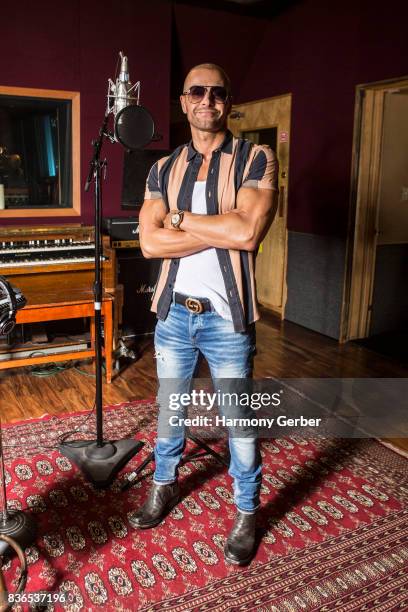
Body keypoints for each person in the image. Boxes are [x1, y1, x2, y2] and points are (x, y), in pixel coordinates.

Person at [129, 63, 278, 565]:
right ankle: (164, 485)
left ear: (228, 101)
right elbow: (149, 244)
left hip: (226, 319)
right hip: (173, 313)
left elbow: (248, 234)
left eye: (217, 92)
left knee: (239, 422)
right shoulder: (161, 169)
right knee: (172, 412)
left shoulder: (257, 158)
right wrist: (221, 225)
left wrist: (178, 220)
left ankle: (245, 511)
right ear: (184, 100)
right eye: (198, 91)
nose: (207, 100)